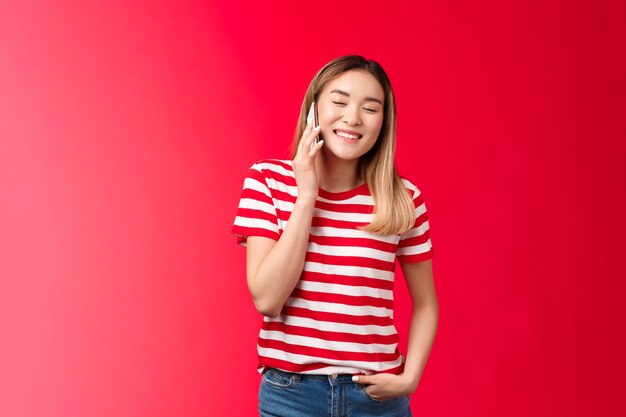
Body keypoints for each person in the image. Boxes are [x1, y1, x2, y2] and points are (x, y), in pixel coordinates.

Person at [232, 55, 438, 417]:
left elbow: (425, 304)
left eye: (370, 108)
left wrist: (410, 377)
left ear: (383, 122)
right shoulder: (267, 180)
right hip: (290, 396)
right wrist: (306, 195)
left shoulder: (403, 198)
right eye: (339, 102)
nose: (353, 117)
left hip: (377, 400)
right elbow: (267, 299)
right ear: (314, 108)